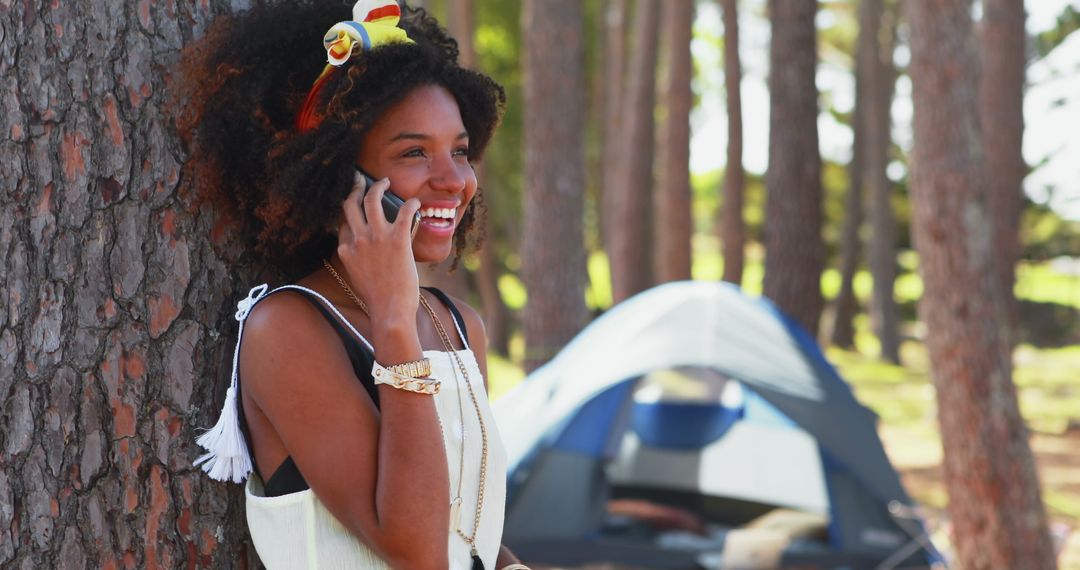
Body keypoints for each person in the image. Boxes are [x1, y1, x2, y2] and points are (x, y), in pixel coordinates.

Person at [177, 2, 527, 568]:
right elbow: (416, 550)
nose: (455, 180)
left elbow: (463, 528)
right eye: (415, 152)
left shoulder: (458, 324)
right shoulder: (289, 330)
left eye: (460, 151)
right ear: (341, 175)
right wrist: (392, 319)